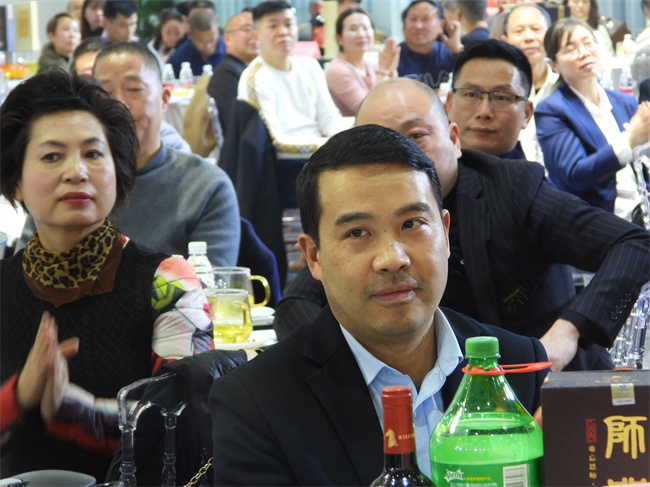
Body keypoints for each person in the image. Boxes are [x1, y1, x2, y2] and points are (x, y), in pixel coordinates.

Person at [210, 123, 549, 486]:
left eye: (412, 223)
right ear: (313, 257)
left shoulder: (517, 365)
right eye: (357, 233)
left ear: (445, 233)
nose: (392, 258)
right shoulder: (257, 402)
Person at [273, 77, 650, 374]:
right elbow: (297, 302)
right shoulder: (355, 220)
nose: (397, 157)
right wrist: (348, 362)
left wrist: (570, 331)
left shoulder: (513, 188)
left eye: (416, 136)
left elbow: (636, 244)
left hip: (544, 382)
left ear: (454, 139)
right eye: (375, 144)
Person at [0, 70, 214, 479]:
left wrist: (70, 408)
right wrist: (19, 394)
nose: (76, 171)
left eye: (94, 154)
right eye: (51, 156)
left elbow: (183, 422)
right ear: (16, 184)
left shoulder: (167, 281)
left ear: (118, 171)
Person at [535, 19, 650, 219]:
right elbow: (576, 174)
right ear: (554, 64)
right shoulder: (552, 110)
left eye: (588, 43)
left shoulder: (623, 102)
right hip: (594, 220)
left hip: (640, 210)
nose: (584, 53)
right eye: (570, 49)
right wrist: (629, 140)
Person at [238, 1, 349, 207]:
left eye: (289, 24)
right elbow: (277, 143)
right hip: (285, 167)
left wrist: (359, 130)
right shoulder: (254, 79)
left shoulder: (310, 66)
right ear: (256, 35)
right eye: (273, 26)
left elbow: (330, 120)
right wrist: (333, 146)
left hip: (320, 157)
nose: (283, 32)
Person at [445, 39, 533, 159]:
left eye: (501, 98)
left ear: (526, 113)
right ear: (449, 104)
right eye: (471, 95)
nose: (484, 112)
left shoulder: (533, 172)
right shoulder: (427, 168)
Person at [500, 3, 557, 163]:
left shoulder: (564, 85)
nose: (529, 37)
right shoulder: (498, 93)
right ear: (505, 41)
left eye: (536, 29)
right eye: (519, 31)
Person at [324, 8, 400, 116]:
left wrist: (392, 70)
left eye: (365, 28)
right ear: (339, 38)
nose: (361, 34)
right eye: (353, 29)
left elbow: (395, 99)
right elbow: (367, 110)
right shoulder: (337, 70)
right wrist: (383, 71)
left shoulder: (371, 61)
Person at [207, 9, 260, 134]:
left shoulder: (251, 69)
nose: (254, 35)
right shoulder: (227, 74)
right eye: (247, 29)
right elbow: (237, 124)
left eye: (257, 29)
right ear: (227, 39)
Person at [397, 0, 462, 90]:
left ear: (441, 25)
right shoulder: (393, 56)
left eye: (426, 19)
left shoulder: (448, 54)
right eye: (413, 19)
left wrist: (457, 50)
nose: (418, 26)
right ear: (405, 23)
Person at [168, 9, 224, 77]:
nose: (207, 46)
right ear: (190, 34)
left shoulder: (230, 51)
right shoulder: (178, 59)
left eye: (212, 40)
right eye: (201, 41)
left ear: (217, 29)